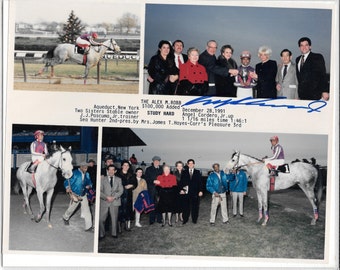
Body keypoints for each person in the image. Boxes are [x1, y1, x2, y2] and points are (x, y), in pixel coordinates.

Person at [62, 162, 93, 231]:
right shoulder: (74, 173)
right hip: (75, 194)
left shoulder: (87, 174)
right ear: (80, 166)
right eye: (84, 167)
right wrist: (67, 187)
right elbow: (67, 181)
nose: (86, 168)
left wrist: (89, 186)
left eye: (87, 167)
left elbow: (90, 182)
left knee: (87, 210)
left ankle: (89, 226)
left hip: (83, 194)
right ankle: (65, 217)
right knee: (72, 208)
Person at [99, 164, 123, 239]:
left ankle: (114, 234)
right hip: (104, 202)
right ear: (107, 171)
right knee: (101, 219)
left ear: (115, 171)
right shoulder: (102, 179)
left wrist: (114, 197)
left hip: (115, 202)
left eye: (113, 170)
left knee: (114, 219)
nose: (111, 171)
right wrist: (106, 197)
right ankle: (101, 234)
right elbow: (99, 191)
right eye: (109, 170)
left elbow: (121, 190)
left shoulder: (119, 179)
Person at [179, 159, 204, 224]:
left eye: (192, 163)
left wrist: (201, 191)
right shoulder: (184, 172)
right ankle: (185, 219)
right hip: (186, 193)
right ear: (187, 164)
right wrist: (181, 189)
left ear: (194, 164)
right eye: (189, 163)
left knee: (195, 207)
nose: (190, 164)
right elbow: (181, 182)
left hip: (195, 193)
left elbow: (200, 182)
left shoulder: (197, 172)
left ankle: (194, 220)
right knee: (185, 207)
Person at [117, 160, 137, 231]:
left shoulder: (131, 175)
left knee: (128, 210)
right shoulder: (118, 174)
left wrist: (131, 185)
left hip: (128, 195)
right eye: (124, 165)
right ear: (122, 166)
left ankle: (126, 226)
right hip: (120, 195)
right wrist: (123, 187)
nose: (126, 167)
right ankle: (119, 227)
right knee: (120, 211)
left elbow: (135, 183)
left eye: (127, 165)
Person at [144, 156, 163, 224]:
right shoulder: (148, 169)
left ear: (159, 162)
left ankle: (159, 219)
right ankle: (152, 219)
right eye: (155, 161)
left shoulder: (161, 169)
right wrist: (153, 181)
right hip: (151, 189)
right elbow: (146, 178)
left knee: (159, 204)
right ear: (153, 162)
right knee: (151, 204)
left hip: (159, 190)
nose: (156, 162)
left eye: (158, 161)